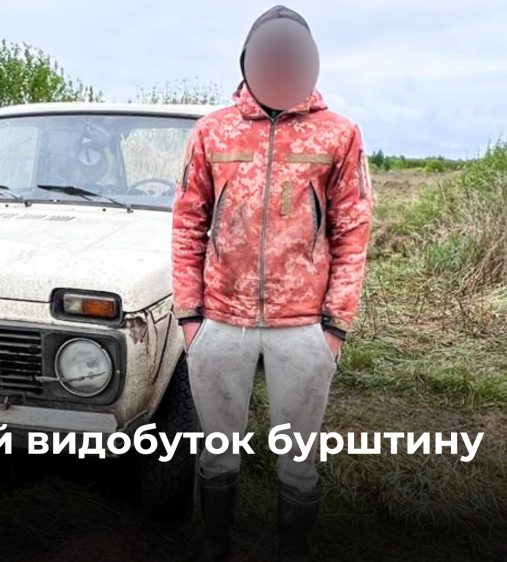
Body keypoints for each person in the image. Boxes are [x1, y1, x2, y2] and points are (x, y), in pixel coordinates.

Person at [170, 5, 374, 562]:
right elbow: (187, 222)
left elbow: (353, 231)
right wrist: (190, 317)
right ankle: (215, 543)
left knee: (298, 456)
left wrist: (334, 327)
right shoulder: (212, 130)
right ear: (248, 60)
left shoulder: (339, 134)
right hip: (220, 321)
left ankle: (294, 548)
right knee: (217, 450)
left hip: (303, 327)